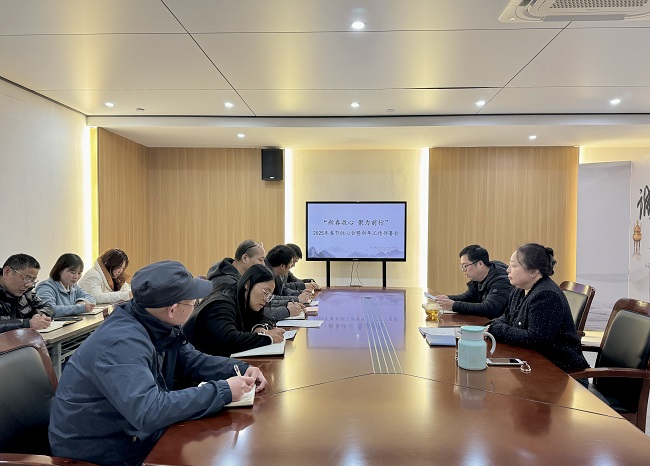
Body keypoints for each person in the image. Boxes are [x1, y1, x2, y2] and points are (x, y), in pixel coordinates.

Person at [49, 260, 267, 466]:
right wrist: (223, 391)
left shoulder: (154, 322)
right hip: (100, 454)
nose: (195, 305)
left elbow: (192, 360)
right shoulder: (121, 343)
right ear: (173, 310)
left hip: (133, 435)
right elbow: (149, 411)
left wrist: (241, 368)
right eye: (193, 302)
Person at [488, 243, 589, 374]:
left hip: (562, 372)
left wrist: (495, 329)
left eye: (514, 265)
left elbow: (535, 339)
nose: (508, 270)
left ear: (534, 271)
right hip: (534, 363)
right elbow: (507, 316)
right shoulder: (519, 289)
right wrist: (492, 326)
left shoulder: (546, 295)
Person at [183, 264, 285, 357]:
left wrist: (259, 328)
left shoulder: (245, 300)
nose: (266, 300)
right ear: (247, 284)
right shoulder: (222, 303)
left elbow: (265, 318)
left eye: (269, 296)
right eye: (265, 292)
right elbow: (229, 340)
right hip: (192, 362)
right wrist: (267, 337)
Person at [435, 244, 512, 319]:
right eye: (462, 267)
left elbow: (490, 308)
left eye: (465, 266)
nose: (463, 270)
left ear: (480, 264)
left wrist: (454, 305)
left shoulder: (501, 281)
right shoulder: (479, 276)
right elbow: (469, 296)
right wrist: (447, 298)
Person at [0, 253, 53, 333]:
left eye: (33, 280)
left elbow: (47, 306)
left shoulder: (26, 292)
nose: (29, 284)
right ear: (6, 272)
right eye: (27, 278)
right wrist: (27, 324)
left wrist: (39, 315)